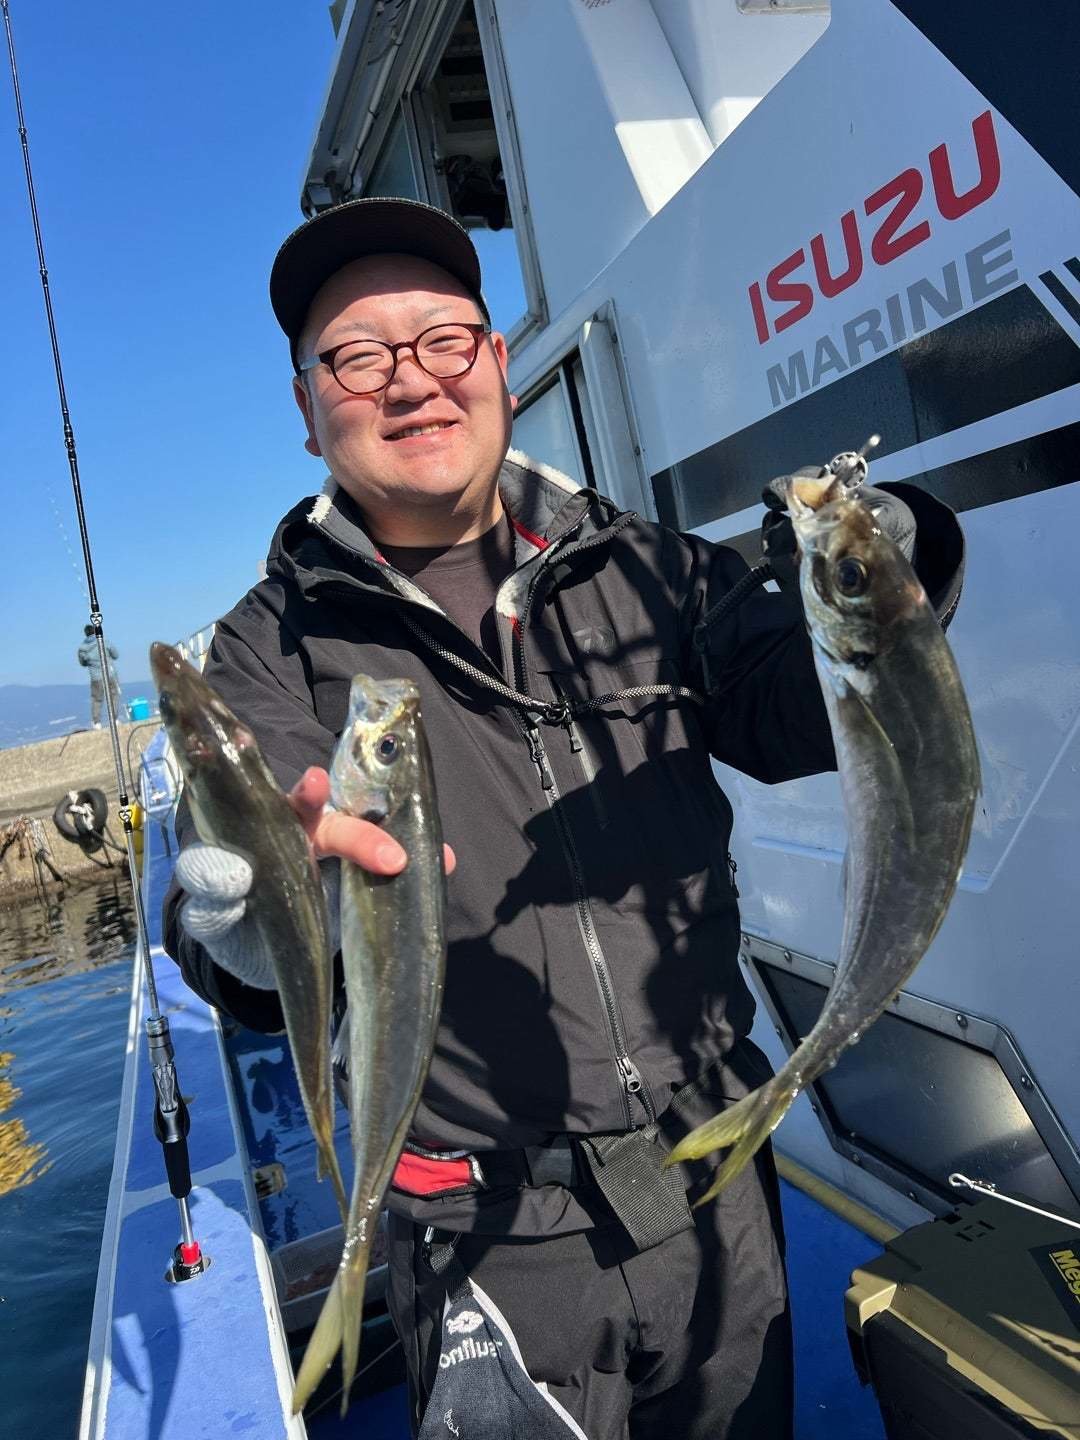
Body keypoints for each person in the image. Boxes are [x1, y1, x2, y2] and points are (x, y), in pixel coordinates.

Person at [164, 198, 965, 1439]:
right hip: (483, 1230)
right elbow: (245, 895)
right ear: (308, 407)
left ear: (496, 364)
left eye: (444, 340)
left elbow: (797, 713)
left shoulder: (644, 566)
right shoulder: (266, 651)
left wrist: (898, 566)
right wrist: (256, 917)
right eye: (359, 357)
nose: (411, 381)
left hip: (718, 1170)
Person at [77, 624, 122, 729]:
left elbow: (83, 663)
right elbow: (116, 655)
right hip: (109, 674)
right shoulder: (104, 642)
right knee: (114, 696)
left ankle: (97, 723)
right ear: (95, 631)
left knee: (97, 699)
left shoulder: (82, 649)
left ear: (85, 634)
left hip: (96, 677)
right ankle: (114, 719)